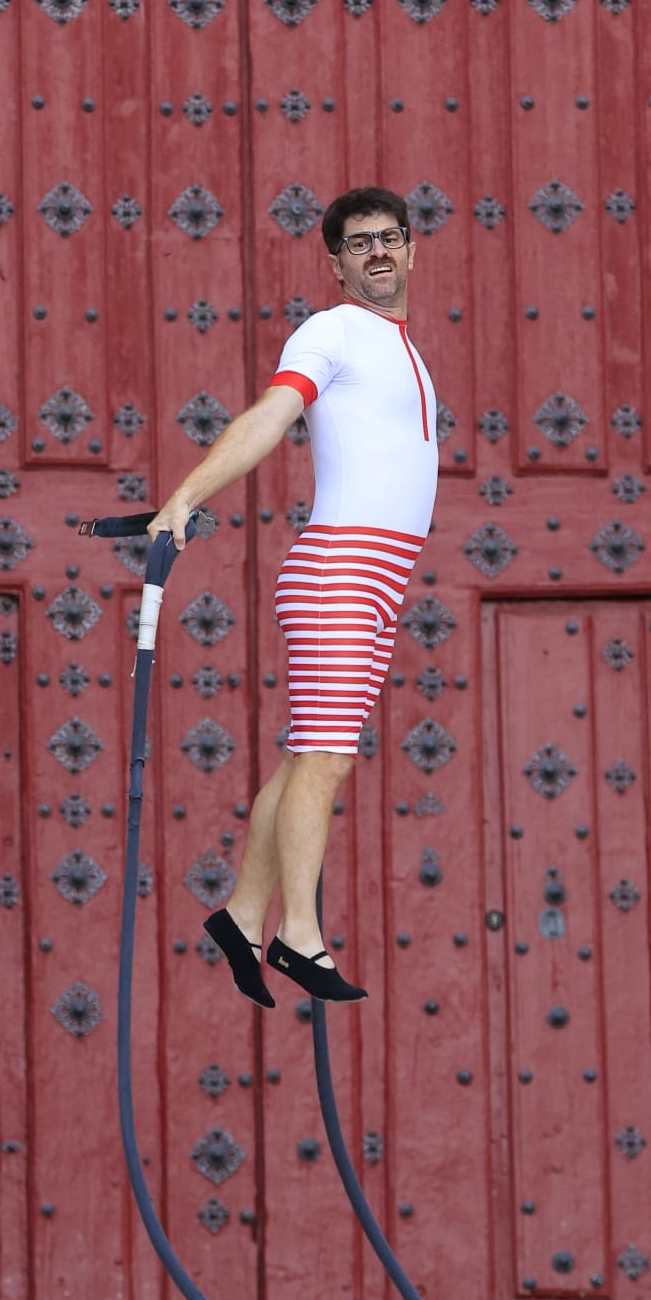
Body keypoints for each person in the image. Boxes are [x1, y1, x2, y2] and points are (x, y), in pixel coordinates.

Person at [147, 186, 438, 1003]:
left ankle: (242, 914)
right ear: (338, 265)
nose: (377, 252)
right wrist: (187, 496)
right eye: (358, 244)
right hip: (340, 567)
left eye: (389, 238)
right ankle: (297, 937)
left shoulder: (405, 349)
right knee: (327, 758)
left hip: (379, 576)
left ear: (412, 249)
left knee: (308, 753)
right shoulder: (334, 330)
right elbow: (271, 416)